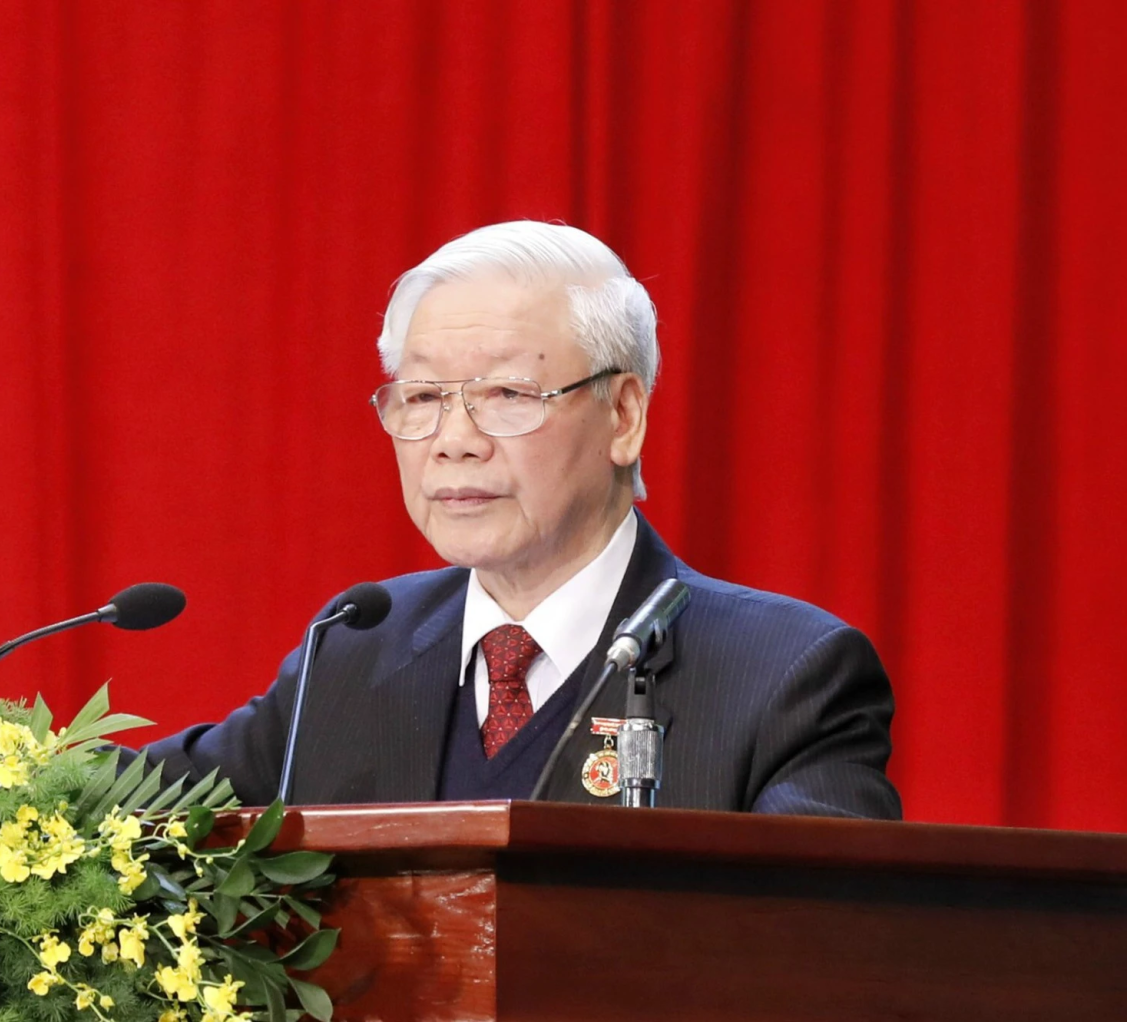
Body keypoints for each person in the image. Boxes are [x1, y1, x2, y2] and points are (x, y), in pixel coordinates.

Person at [147, 221, 899, 818]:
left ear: (623, 416)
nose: (454, 441)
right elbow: (145, 801)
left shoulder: (784, 676)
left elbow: (825, 937)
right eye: (423, 398)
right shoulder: (357, 648)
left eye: (506, 395)